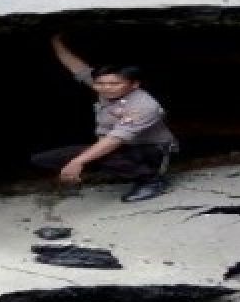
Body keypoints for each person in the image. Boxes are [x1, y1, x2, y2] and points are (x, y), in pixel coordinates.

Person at [31, 34, 177, 202]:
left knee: (99, 154)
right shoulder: (104, 89)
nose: (106, 88)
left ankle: (152, 180)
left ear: (134, 84)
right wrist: (55, 41)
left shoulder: (144, 105)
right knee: (43, 160)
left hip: (152, 150)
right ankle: (105, 170)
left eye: (114, 84)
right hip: (121, 146)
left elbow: (115, 140)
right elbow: (76, 66)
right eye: (100, 83)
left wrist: (78, 161)